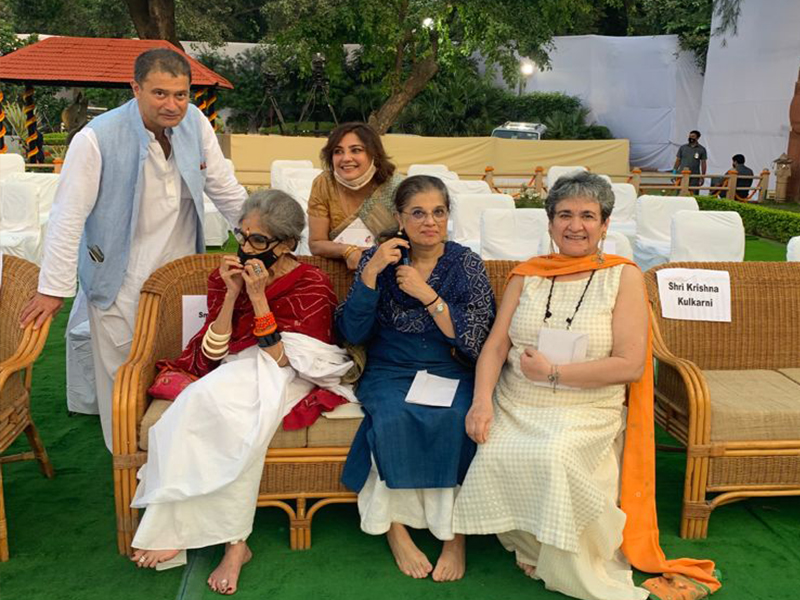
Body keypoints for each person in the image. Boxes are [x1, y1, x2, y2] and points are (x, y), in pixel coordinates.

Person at [453, 172, 721, 600]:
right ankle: (530, 543)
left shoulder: (623, 276)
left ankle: (565, 559)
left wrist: (555, 374)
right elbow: (497, 344)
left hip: (586, 407)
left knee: (555, 454)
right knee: (496, 449)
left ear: (605, 224)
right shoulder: (527, 274)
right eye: (564, 215)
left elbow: (630, 365)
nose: (575, 225)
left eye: (587, 216)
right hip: (517, 401)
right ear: (549, 223)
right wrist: (481, 401)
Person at [18, 48, 247, 451]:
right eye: (160, 94)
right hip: (119, 278)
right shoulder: (96, 138)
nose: (172, 105)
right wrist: (53, 289)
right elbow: (68, 217)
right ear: (135, 88)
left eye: (180, 94)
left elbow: (225, 190)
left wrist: (262, 239)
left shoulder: (195, 123)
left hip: (179, 276)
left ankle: (174, 456)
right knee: (122, 375)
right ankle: (126, 461)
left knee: (181, 365)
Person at [130, 190, 355, 595]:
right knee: (195, 404)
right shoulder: (226, 277)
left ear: (286, 244)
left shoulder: (312, 283)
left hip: (289, 371)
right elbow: (213, 352)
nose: (246, 247)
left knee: (248, 421)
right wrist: (232, 294)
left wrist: (258, 296)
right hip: (238, 367)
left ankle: (233, 546)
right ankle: (201, 535)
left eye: (258, 240)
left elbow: (286, 359)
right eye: (242, 235)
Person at [336, 175, 495, 582]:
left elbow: (477, 338)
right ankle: (395, 529)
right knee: (391, 416)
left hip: (449, 366)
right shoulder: (382, 260)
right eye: (418, 213)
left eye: (438, 212)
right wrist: (371, 272)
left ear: (448, 215)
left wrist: (428, 295)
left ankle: (453, 535)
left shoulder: (466, 264)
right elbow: (352, 331)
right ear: (400, 218)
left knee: (456, 418)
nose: (430, 222)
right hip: (391, 368)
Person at [307, 122, 404, 270]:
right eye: (338, 151)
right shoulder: (324, 184)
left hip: (391, 271)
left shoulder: (397, 187)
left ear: (374, 154)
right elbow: (316, 244)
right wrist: (347, 251)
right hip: (338, 272)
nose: (346, 158)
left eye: (356, 150)